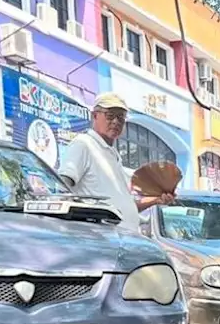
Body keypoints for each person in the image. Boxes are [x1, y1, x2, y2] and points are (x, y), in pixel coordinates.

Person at [59, 93, 173, 225]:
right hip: (100, 237)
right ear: (95, 115)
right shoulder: (84, 144)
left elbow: (125, 207)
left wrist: (156, 199)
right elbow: (62, 186)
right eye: (110, 115)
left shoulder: (113, 155)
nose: (115, 122)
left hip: (123, 238)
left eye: (121, 117)